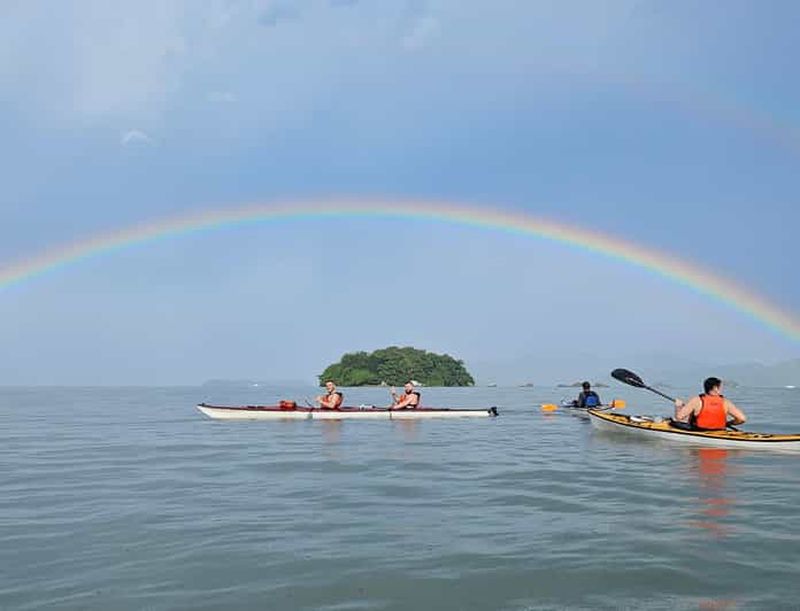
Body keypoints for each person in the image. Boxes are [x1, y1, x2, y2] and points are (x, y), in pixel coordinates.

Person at [673, 377, 746, 430]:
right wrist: (728, 424)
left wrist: (678, 406)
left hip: (699, 431)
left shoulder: (696, 400)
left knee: (672, 422)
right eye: (720, 387)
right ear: (715, 388)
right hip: (719, 431)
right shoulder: (726, 402)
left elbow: (679, 417)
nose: (721, 389)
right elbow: (742, 419)